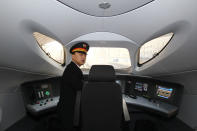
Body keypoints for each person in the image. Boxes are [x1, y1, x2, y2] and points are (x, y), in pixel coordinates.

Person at [57, 42, 89, 131]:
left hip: (70, 109)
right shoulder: (72, 70)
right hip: (68, 112)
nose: (83, 57)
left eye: (85, 55)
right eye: (80, 54)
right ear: (73, 56)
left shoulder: (73, 68)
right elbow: (79, 86)